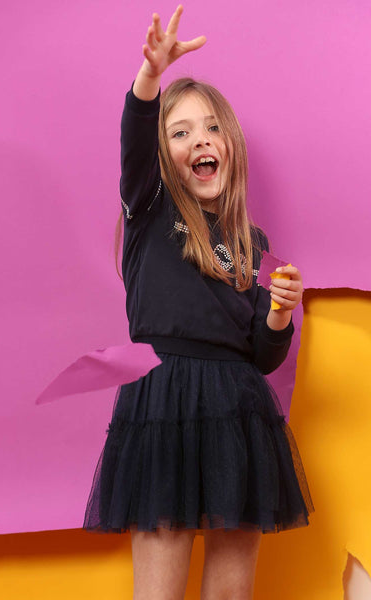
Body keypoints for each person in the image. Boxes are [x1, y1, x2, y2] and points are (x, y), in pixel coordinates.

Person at [84, 5, 314, 599]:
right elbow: (135, 135)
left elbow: (261, 355)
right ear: (162, 157)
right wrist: (150, 77)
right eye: (180, 132)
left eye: (211, 128)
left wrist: (279, 314)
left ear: (229, 146)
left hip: (238, 409)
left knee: (231, 592)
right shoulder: (149, 207)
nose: (200, 140)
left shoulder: (251, 243)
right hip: (164, 400)